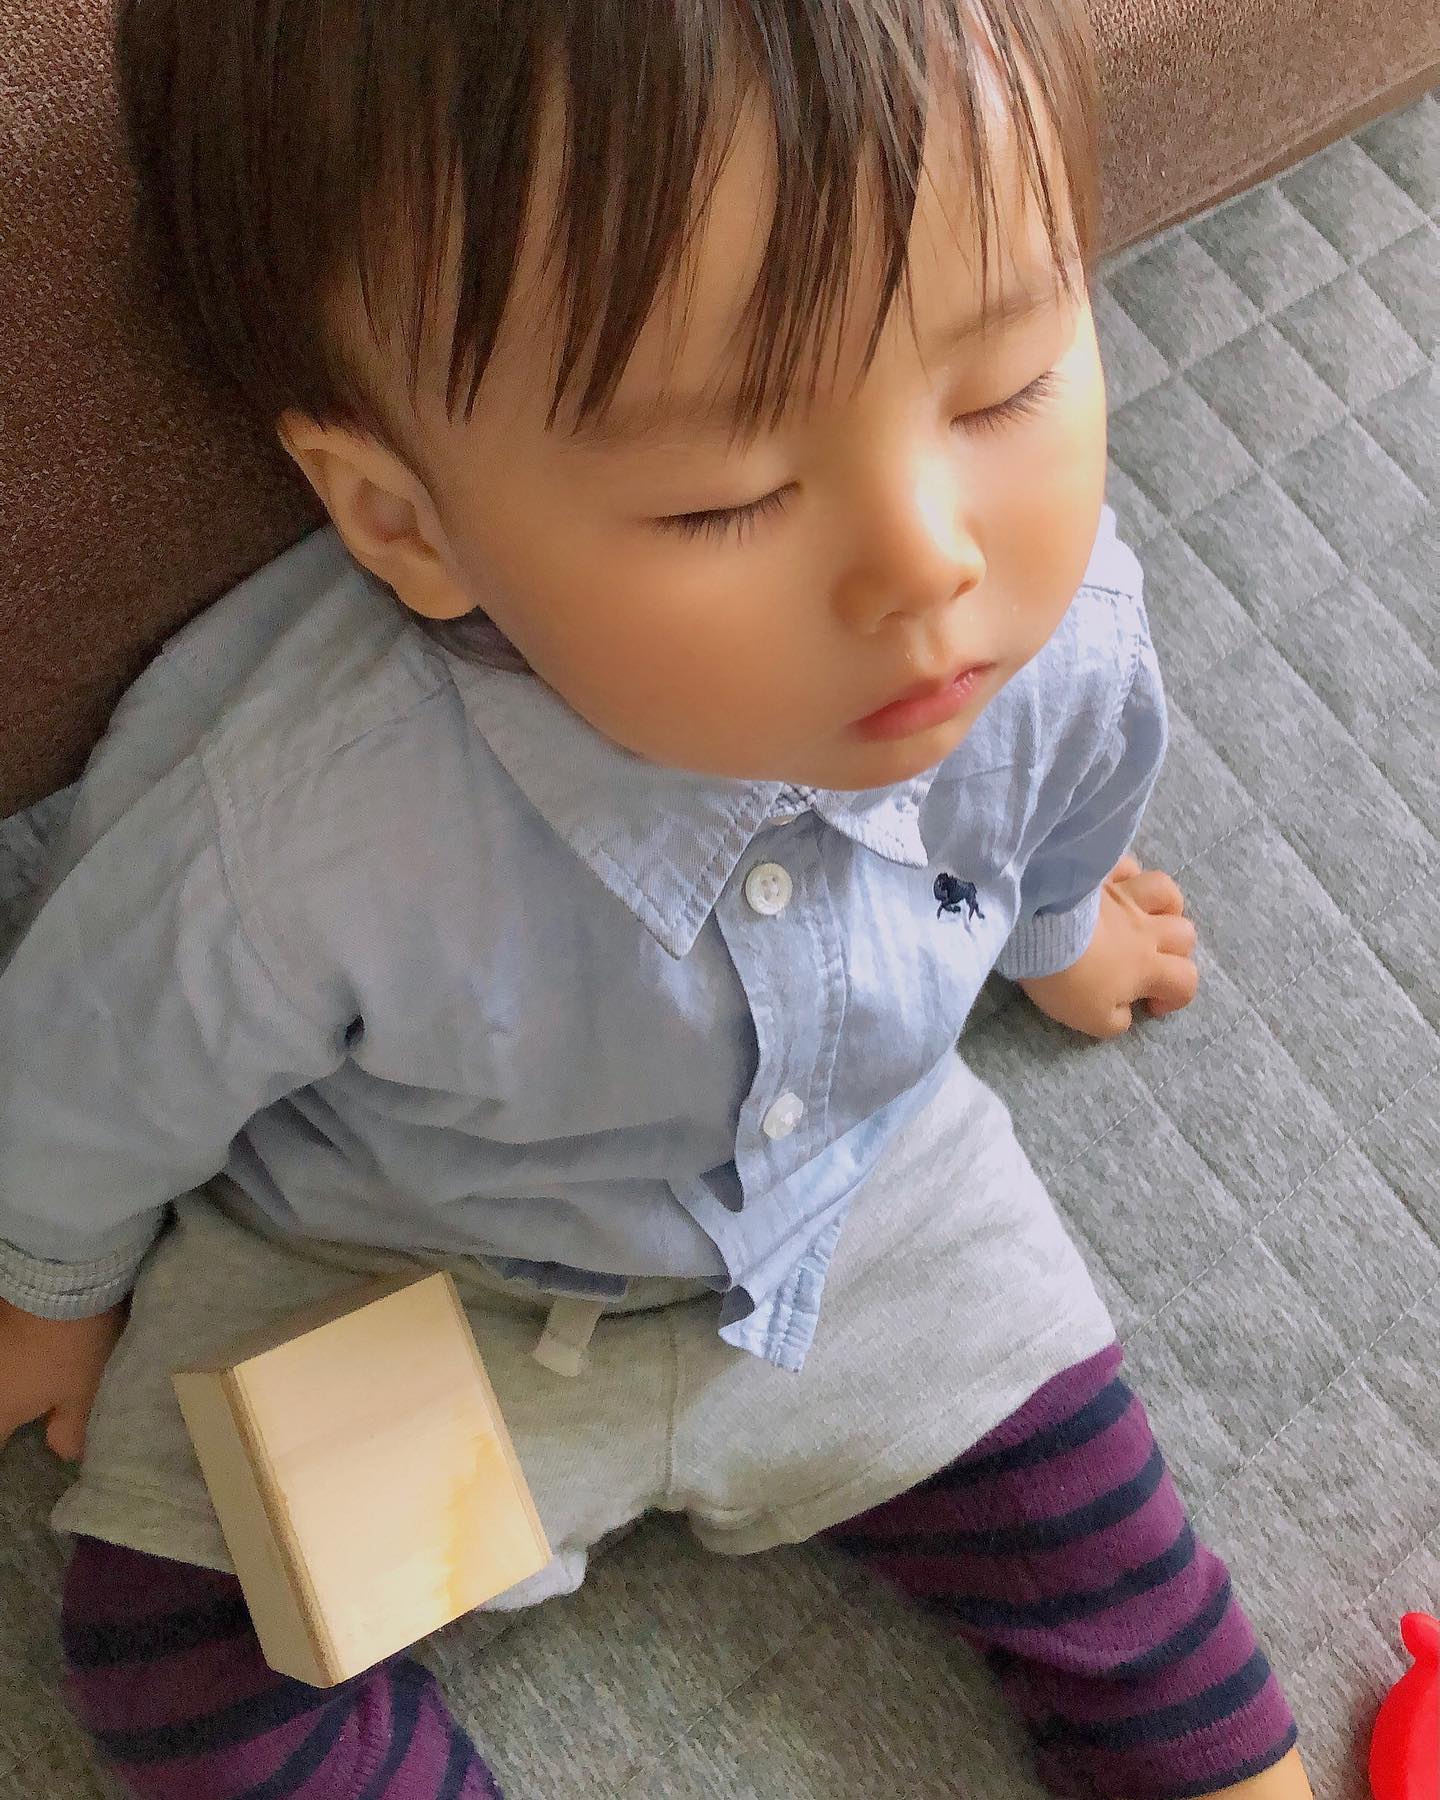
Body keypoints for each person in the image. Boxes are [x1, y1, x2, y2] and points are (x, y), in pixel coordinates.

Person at [0, 2, 1313, 1795]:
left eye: (1003, 386)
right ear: (407, 523)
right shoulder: (301, 827)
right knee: (182, 1670)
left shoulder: (1062, 634)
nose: (929, 559)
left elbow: (1063, 804)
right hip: (394, 1257)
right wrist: (54, 1281)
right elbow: (91, 1058)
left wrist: (1057, 932)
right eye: (724, 498)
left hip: (865, 1192)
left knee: (1132, 1592)